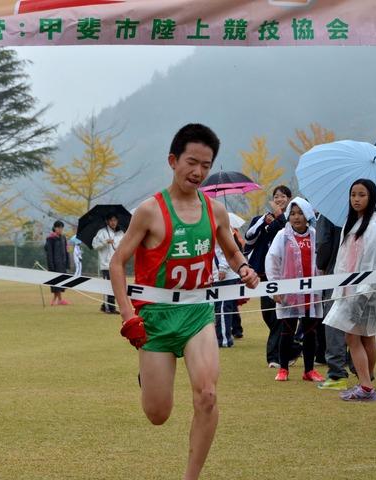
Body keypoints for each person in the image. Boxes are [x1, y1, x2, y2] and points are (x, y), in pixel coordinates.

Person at [109, 123, 259, 480]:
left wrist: (245, 268)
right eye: (192, 162)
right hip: (155, 320)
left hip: (196, 313)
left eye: (206, 165)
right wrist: (128, 315)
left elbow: (232, 250)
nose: (198, 172)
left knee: (207, 395)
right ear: (173, 161)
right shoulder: (149, 211)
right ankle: (148, 375)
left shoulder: (215, 212)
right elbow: (117, 262)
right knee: (158, 414)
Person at [323, 179, 376, 402]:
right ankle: (366, 381)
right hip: (352, 288)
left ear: (371, 197)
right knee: (365, 336)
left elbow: (373, 263)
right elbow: (344, 260)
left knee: (354, 336)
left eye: (362, 195)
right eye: (353, 194)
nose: (356, 199)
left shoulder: (374, 226)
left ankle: (365, 386)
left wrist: (361, 292)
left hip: (364, 291)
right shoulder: (354, 223)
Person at [265, 197, 324, 382]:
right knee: (287, 331)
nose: (296, 217)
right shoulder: (282, 236)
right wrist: (275, 287)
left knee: (310, 332)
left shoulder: (315, 235)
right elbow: (272, 260)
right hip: (288, 293)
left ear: (308, 215)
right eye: (292, 214)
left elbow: (321, 261)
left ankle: (309, 370)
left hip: (311, 293)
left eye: (300, 213)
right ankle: (283, 369)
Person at [244, 185, 292, 368]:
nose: (279, 199)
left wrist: (280, 217)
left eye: (282, 196)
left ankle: (274, 357)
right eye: (276, 196)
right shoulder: (261, 219)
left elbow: (288, 232)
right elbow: (249, 238)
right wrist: (264, 220)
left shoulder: (292, 218)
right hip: (264, 273)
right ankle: (293, 347)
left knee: (280, 313)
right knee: (268, 315)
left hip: (285, 273)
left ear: (289, 198)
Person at [314, 214, 349, 390]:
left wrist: (322, 264)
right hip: (363, 275)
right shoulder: (373, 215)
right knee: (359, 325)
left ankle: (337, 373)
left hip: (335, 274)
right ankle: (364, 371)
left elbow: (323, 244)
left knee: (334, 323)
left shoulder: (329, 214)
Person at [212, 238, 241, 348]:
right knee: (220, 307)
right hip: (215, 276)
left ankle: (224, 339)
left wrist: (223, 268)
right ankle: (223, 336)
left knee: (223, 308)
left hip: (225, 275)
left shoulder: (219, 227)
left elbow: (228, 250)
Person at [92, 214, 124, 314]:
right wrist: (105, 242)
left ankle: (107, 305)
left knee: (116, 286)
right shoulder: (102, 233)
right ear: (107, 221)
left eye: (115, 220)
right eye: (111, 220)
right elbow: (94, 245)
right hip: (106, 264)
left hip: (117, 264)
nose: (113, 222)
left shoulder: (120, 233)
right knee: (108, 286)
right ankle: (109, 308)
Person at [45, 220, 71, 306]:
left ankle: (58, 300)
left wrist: (67, 262)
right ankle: (56, 300)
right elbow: (49, 253)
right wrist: (51, 265)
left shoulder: (63, 238)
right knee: (56, 283)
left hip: (62, 264)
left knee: (60, 282)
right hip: (55, 264)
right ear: (55, 228)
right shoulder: (50, 239)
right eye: (58, 227)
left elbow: (66, 251)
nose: (60, 229)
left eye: (61, 228)